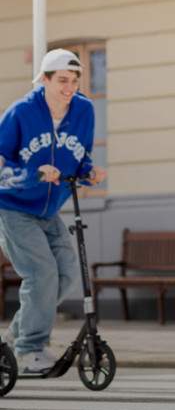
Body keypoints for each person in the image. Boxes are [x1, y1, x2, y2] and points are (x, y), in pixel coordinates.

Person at [0, 49, 108, 374]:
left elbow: (82, 154)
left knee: (66, 275)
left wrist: (90, 170)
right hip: (13, 207)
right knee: (42, 274)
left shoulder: (84, 110)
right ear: (44, 79)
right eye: (62, 80)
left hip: (49, 210)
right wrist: (31, 174)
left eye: (74, 80)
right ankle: (30, 349)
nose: (69, 87)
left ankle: (13, 341)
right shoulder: (21, 112)